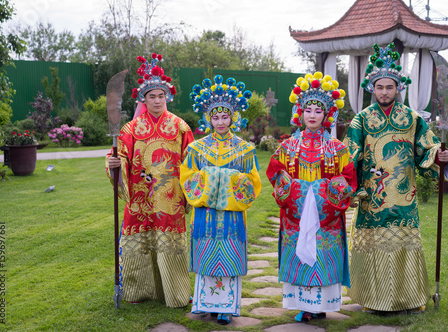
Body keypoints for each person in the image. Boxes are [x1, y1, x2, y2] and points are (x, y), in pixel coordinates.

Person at [344, 43, 448, 313]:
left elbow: (427, 148)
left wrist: (439, 157)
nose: (384, 92)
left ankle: (406, 300)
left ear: (398, 89)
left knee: (403, 243)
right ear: (372, 89)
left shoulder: (412, 119)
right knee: (375, 246)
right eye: (380, 87)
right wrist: (347, 187)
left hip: (405, 199)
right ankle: (374, 300)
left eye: (389, 87)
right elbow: (349, 157)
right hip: (372, 199)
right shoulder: (361, 120)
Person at [266, 72, 357, 322]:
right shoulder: (287, 146)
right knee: (300, 252)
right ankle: (304, 305)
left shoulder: (338, 148)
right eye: (308, 110)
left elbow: (348, 179)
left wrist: (319, 193)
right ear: (300, 112)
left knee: (323, 253)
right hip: (295, 216)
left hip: (326, 215)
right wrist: (295, 191)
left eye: (318, 111)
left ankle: (322, 304)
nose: (313, 115)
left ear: (326, 115)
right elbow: (275, 173)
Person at [106, 52, 194, 307]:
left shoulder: (180, 127)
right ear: (143, 99)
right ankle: (137, 291)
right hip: (140, 198)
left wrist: (191, 192)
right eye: (152, 96)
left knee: (170, 243)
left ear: (168, 97)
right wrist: (114, 164)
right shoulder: (130, 129)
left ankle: (175, 294)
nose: (157, 100)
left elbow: (192, 162)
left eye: (161, 96)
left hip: (171, 197)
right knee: (138, 242)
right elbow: (119, 155)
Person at [180, 75, 262, 325]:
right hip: (204, 217)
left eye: (225, 116)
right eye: (215, 117)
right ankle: (204, 302)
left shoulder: (245, 149)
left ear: (233, 117)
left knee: (228, 254)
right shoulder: (196, 149)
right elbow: (187, 179)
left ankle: (226, 306)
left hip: (232, 218)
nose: (220, 122)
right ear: (208, 119)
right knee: (206, 254)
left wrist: (221, 178)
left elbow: (252, 183)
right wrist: (212, 177)